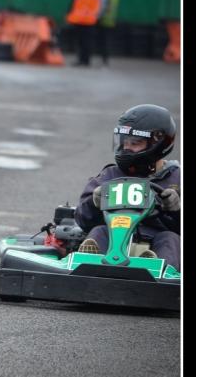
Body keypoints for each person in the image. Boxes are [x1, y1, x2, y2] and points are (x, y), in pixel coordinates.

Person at [74, 104, 181, 270]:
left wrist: (176, 210)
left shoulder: (177, 179)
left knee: (170, 239)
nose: (126, 148)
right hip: (113, 240)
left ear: (158, 143)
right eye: (124, 142)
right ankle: (89, 265)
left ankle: (157, 269)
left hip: (158, 241)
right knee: (99, 231)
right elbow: (82, 219)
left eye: (135, 143)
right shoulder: (110, 175)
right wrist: (94, 203)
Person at [66, 0, 103, 67]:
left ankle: (85, 60)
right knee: (82, 41)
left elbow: (88, 3)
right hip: (83, 19)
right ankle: (82, 60)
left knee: (85, 41)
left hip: (86, 19)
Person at [96, 0, 120, 66]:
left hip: (104, 20)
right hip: (111, 20)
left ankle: (104, 59)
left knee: (104, 41)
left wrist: (97, 16)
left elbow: (102, 7)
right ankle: (105, 59)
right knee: (106, 41)